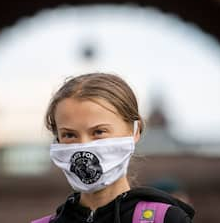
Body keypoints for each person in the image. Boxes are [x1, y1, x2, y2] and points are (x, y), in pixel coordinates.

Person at [32, 73, 195, 223]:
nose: (83, 146)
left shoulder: (167, 219)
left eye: (98, 132)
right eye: (69, 135)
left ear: (134, 131)